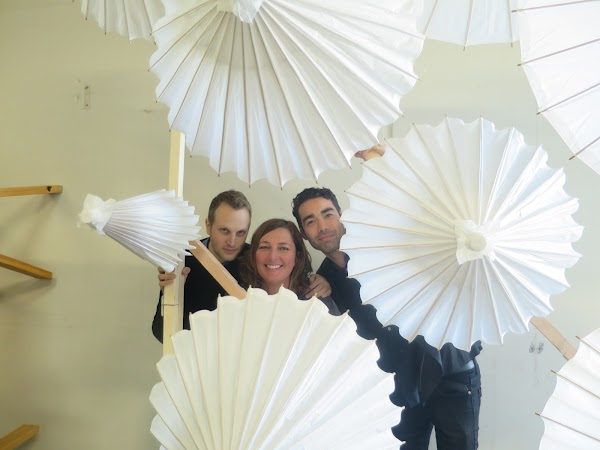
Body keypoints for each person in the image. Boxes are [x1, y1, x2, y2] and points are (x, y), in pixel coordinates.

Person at [292, 187, 482, 450]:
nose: (322, 226)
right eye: (310, 221)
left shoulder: (383, 238)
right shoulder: (326, 283)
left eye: (328, 215)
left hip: (449, 366)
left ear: (341, 215)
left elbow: (427, 210)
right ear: (303, 233)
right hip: (401, 390)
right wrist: (322, 292)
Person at [151, 190, 252, 342]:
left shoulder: (254, 262)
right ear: (208, 225)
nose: (232, 242)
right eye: (224, 230)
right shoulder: (182, 261)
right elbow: (162, 334)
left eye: (240, 233)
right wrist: (170, 291)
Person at [240, 218, 340, 315]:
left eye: (283, 248)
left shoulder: (316, 302)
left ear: (297, 257)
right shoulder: (239, 297)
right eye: (264, 247)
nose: (272, 257)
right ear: (253, 254)